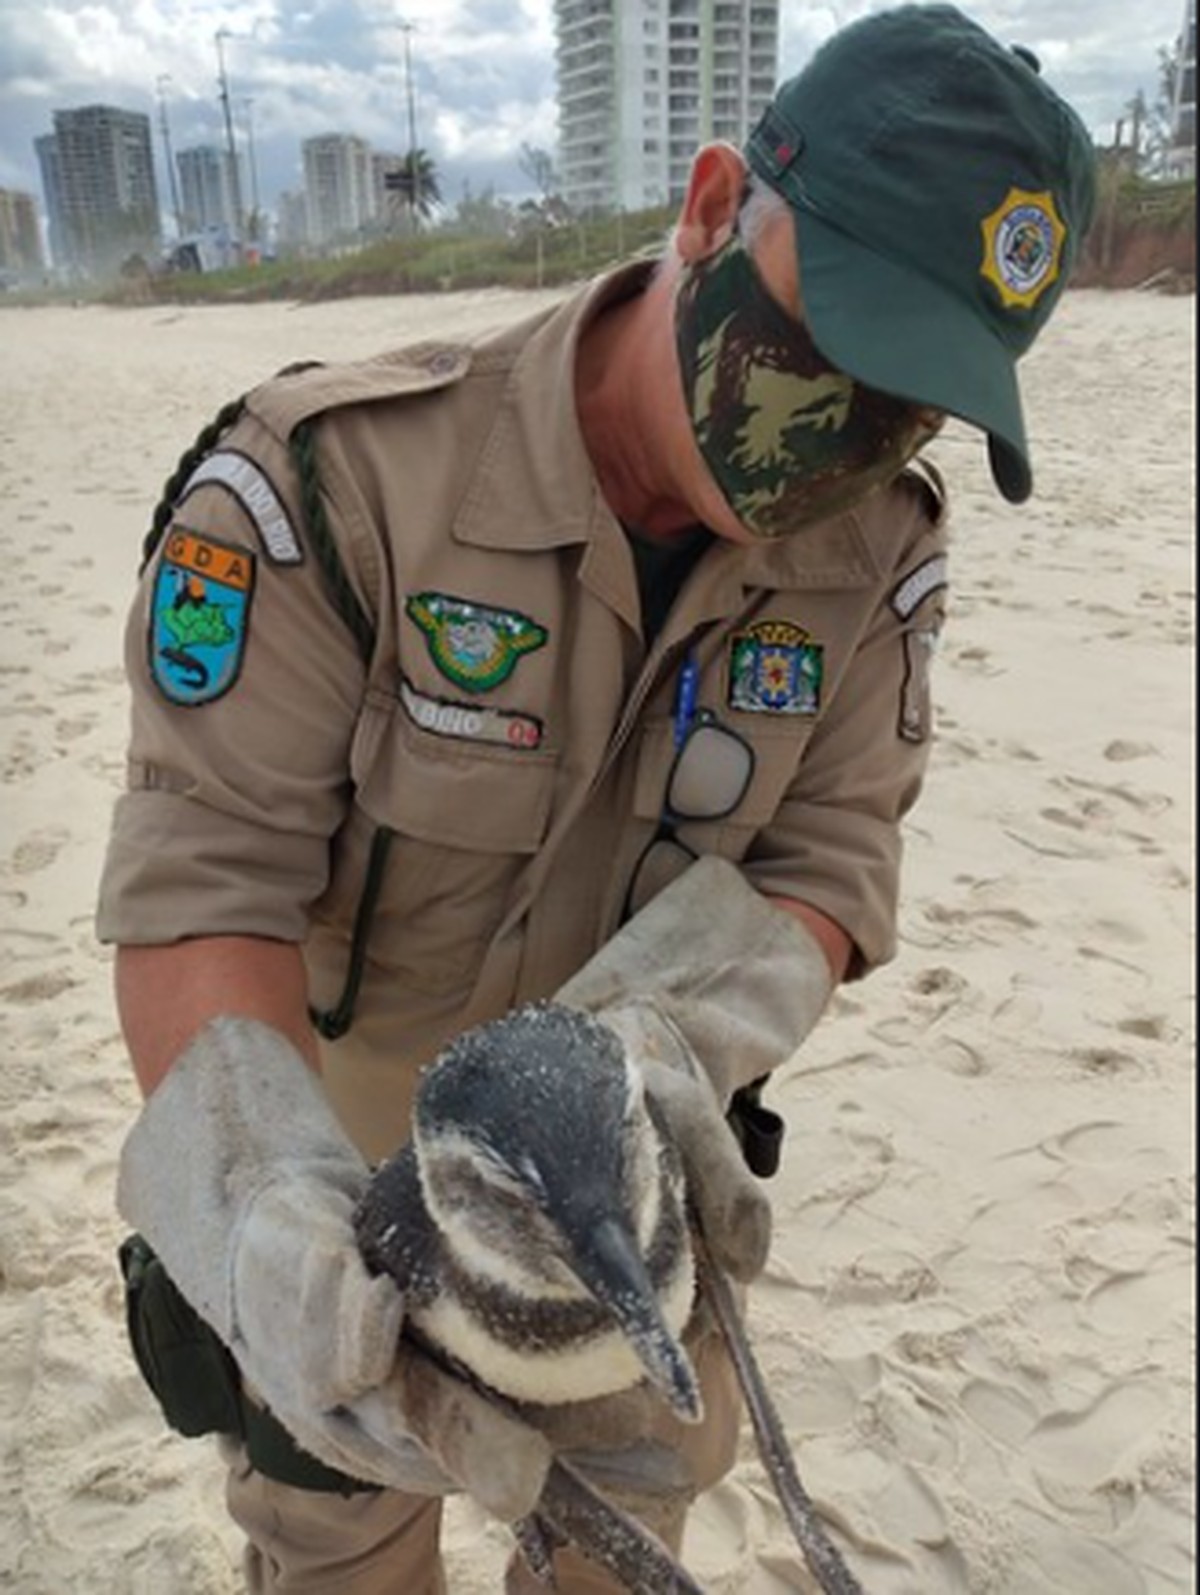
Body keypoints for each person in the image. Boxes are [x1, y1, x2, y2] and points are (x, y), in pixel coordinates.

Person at [98, 6, 1096, 1592]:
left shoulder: (879, 559)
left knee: (620, 1551)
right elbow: (201, 881)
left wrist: (659, 1039)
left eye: (914, 402)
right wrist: (269, 1217)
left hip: (635, 1191)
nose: (840, 438)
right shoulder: (328, 484)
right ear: (712, 209)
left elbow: (834, 854)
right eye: (825, 342)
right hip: (350, 1184)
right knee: (336, 1555)